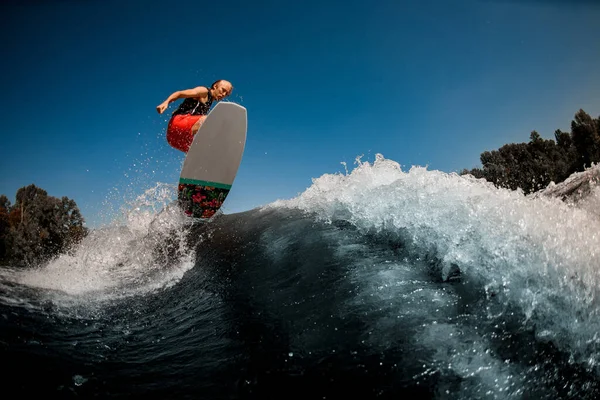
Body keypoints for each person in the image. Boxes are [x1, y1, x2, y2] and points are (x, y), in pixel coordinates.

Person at [156, 79, 233, 152]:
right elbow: (180, 93)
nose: (223, 94)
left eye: (227, 94)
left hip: (174, 139)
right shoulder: (203, 91)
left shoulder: (210, 102)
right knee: (210, 119)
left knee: (199, 152)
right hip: (178, 123)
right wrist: (166, 102)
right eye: (223, 90)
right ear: (215, 86)